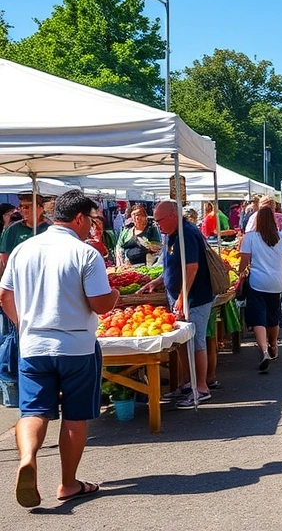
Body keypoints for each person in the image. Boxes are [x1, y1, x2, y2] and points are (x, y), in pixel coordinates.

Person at [1, 190, 119, 508]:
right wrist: (115, 294)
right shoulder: (85, 254)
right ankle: (68, 483)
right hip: (76, 346)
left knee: (33, 411)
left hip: (33, 345)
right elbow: (100, 304)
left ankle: (27, 458)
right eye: (91, 220)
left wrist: (24, 326)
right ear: (79, 218)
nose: (92, 226)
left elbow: (4, 296)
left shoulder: (23, 250)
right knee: (75, 418)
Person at [141, 200, 215, 408]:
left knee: (196, 341)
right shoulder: (171, 235)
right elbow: (173, 267)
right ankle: (186, 384)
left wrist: (183, 297)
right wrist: (157, 282)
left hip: (195, 298)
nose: (157, 225)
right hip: (181, 297)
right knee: (183, 341)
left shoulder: (187, 234)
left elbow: (191, 268)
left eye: (159, 220)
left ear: (173, 216)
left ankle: (201, 388)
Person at [239, 206, 282, 371]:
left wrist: (240, 275)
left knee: (258, 318)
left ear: (257, 220)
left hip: (257, 282)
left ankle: (264, 351)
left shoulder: (250, 238)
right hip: (277, 283)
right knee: (273, 316)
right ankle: (273, 345)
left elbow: (244, 263)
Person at [0, 193, 51, 277]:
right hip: (19, 276)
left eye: (27, 207)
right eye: (21, 206)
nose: (23, 210)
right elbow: (4, 257)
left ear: (39, 208)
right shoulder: (13, 229)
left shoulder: (50, 229)